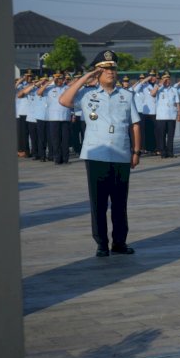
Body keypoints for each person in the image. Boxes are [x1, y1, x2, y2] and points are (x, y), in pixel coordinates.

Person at [59, 50, 141, 257]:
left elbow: (135, 125)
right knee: (99, 203)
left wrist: (136, 151)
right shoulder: (88, 95)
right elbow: (64, 100)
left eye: (113, 68)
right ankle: (102, 244)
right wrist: (86, 77)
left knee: (120, 203)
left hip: (121, 154)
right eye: (105, 69)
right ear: (98, 73)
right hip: (96, 155)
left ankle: (119, 242)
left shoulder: (126, 95)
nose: (110, 72)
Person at [39, 71, 72, 165]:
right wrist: (49, 82)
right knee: (55, 140)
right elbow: (39, 92)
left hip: (65, 117)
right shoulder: (49, 88)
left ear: (63, 79)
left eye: (60, 78)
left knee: (65, 140)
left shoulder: (67, 88)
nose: (59, 80)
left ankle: (65, 159)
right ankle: (57, 159)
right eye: (57, 78)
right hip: (53, 118)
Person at [150, 71, 180, 158]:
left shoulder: (174, 90)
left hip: (171, 115)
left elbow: (177, 103)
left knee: (171, 135)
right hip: (161, 116)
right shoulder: (158, 88)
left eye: (168, 79)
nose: (167, 81)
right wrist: (160, 84)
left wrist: (178, 114)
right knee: (162, 135)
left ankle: (170, 152)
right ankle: (163, 152)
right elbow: (152, 94)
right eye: (165, 79)